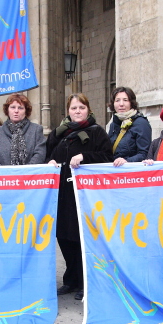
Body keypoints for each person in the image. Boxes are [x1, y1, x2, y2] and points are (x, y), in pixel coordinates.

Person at [46, 93, 112, 301]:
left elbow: (107, 157)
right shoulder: (59, 133)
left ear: (88, 110)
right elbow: (48, 155)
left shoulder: (97, 132)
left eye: (81, 108)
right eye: (74, 108)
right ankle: (71, 279)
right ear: (68, 111)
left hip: (84, 194)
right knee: (63, 237)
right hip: (62, 193)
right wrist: (49, 162)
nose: (77, 111)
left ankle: (85, 281)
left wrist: (85, 156)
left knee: (81, 238)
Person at [0, 93, 46, 166]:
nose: (16, 111)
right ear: (7, 110)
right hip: (4, 176)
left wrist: (23, 173)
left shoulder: (36, 130)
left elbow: (40, 155)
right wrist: (4, 173)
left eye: (20, 108)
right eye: (12, 107)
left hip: (29, 175)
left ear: (26, 111)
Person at [107, 87, 151, 166]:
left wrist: (126, 161)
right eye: (117, 100)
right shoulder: (113, 124)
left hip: (132, 174)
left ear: (131, 103)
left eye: (125, 100)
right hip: (115, 172)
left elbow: (145, 153)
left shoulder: (141, 123)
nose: (121, 104)